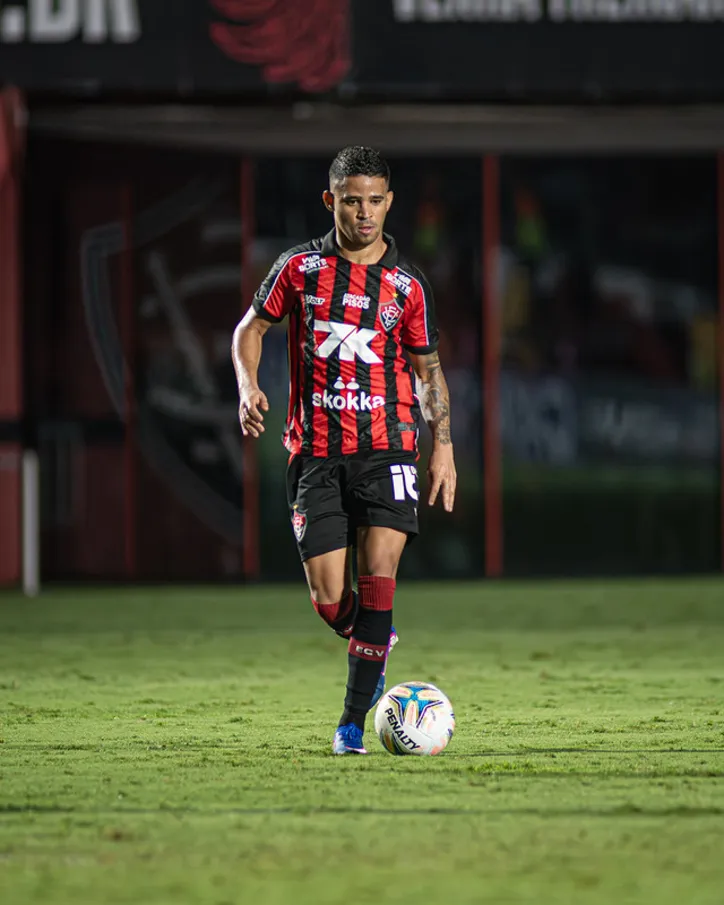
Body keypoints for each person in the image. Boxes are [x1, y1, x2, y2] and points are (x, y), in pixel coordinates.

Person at [232, 146, 456, 754]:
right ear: (331, 200)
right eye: (352, 200)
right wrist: (249, 384)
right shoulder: (298, 269)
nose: (364, 212)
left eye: (375, 200)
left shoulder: (407, 286)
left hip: (389, 447)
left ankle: (352, 726)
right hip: (315, 453)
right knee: (332, 601)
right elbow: (250, 328)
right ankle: (373, 644)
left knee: (380, 571)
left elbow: (428, 370)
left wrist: (444, 448)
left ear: (389, 202)